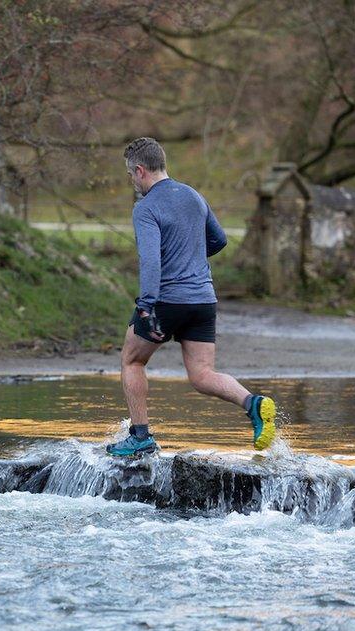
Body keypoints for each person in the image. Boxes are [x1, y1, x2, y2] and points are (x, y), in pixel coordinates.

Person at [106, 137, 277, 457]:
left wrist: (146, 304)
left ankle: (140, 437)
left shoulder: (146, 208)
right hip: (202, 301)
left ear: (140, 171)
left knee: (132, 359)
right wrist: (192, 256)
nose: (132, 182)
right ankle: (253, 404)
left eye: (131, 176)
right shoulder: (194, 196)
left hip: (166, 301)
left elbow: (151, 260)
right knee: (202, 375)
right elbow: (219, 240)